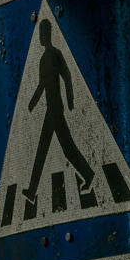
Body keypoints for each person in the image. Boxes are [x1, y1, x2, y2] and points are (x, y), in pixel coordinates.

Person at [21, 19, 95, 204]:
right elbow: (41, 84)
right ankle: (88, 174)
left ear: (49, 34)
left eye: (43, 33)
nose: (40, 37)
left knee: (48, 150)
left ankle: (32, 190)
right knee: (63, 149)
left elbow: (67, 75)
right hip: (49, 109)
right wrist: (32, 102)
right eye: (39, 33)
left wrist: (71, 100)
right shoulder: (42, 60)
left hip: (56, 109)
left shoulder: (55, 54)